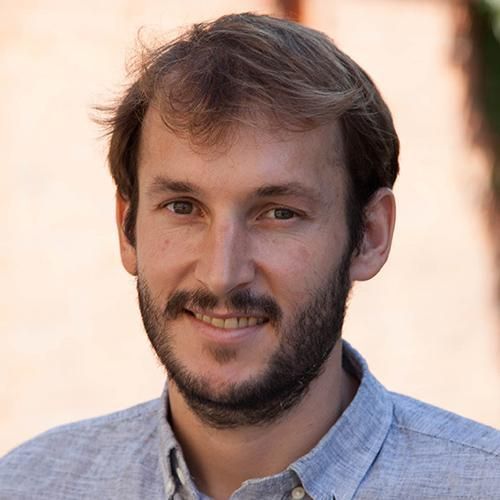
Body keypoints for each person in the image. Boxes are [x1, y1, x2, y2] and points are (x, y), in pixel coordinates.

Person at [1, 12, 499, 500]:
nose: (221, 274)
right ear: (127, 228)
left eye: (279, 213)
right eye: (182, 207)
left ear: (369, 236)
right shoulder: (28, 485)